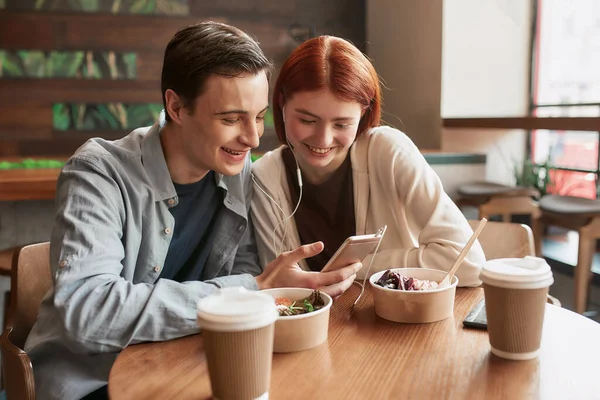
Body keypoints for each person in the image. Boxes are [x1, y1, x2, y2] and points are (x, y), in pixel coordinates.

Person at [25, 23, 360, 400]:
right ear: (177, 107)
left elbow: (246, 274)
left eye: (259, 116)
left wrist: (275, 289)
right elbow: (87, 313)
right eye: (231, 119)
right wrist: (250, 290)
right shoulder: (98, 173)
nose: (252, 138)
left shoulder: (238, 170)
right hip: (92, 380)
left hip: (185, 367)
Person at [251, 35, 485, 286]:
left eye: (342, 124)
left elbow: (469, 263)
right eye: (307, 120)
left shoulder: (388, 153)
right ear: (282, 104)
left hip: (396, 318)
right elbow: (281, 286)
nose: (323, 138)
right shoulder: (265, 177)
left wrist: (359, 269)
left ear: (363, 114)